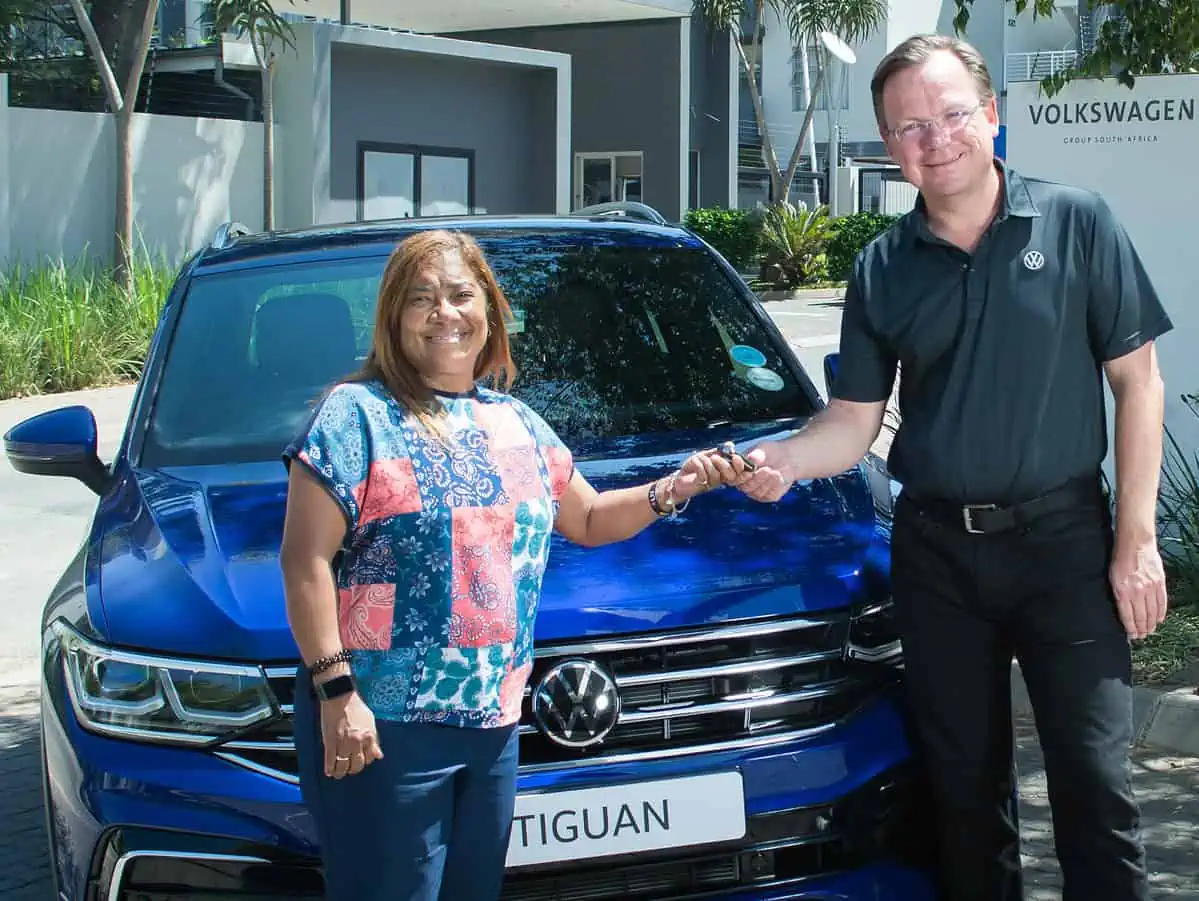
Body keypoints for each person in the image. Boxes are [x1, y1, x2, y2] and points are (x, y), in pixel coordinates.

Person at [735, 33, 1171, 901]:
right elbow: (852, 425)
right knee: (962, 798)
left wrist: (1135, 540)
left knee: (1094, 784)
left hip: (1065, 547)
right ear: (888, 148)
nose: (934, 139)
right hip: (937, 558)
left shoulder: (1076, 221)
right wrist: (782, 458)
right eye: (907, 127)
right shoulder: (882, 267)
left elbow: (1139, 384)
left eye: (950, 116)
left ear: (992, 117)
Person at [277, 228, 749, 901]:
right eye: (421, 299)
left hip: (492, 724)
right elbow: (304, 561)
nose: (445, 313)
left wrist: (676, 486)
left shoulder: (516, 422)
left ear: (489, 311)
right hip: (385, 728)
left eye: (460, 294)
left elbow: (586, 518)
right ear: (393, 318)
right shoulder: (357, 416)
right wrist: (335, 693)